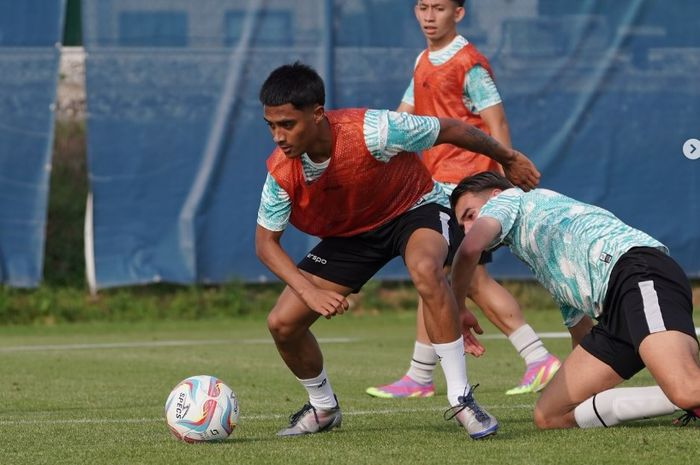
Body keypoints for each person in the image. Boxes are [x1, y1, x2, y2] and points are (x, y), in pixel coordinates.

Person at [255, 62, 540, 438]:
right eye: (271, 125)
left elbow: (451, 129)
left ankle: (461, 399)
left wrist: (508, 157)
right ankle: (323, 407)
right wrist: (309, 291)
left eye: (287, 124)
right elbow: (265, 243)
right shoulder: (281, 171)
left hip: (413, 207)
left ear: (318, 113)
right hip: (352, 235)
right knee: (282, 324)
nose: (278, 136)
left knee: (425, 268)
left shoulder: (374, 130)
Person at [366, 0, 559, 399]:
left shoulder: (468, 62)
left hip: (465, 190)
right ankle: (420, 376)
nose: (429, 16)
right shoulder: (423, 60)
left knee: (470, 279)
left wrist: (506, 177)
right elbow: (402, 116)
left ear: (459, 13)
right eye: (422, 7)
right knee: (434, 275)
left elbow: (496, 121)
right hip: (436, 188)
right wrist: (371, 148)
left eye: (438, 8)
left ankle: (538, 357)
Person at [449, 171, 700, 429]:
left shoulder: (511, 200)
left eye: (470, 215)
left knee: (685, 389)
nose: (468, 229)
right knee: (550, 416)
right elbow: (580, 330)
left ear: (495, 196)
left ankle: (684, 394)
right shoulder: (537, 243)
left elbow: (469, 250)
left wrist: (457, 309)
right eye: (462, 226)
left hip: (638, 275)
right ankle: (679, 397)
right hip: (613, 313)